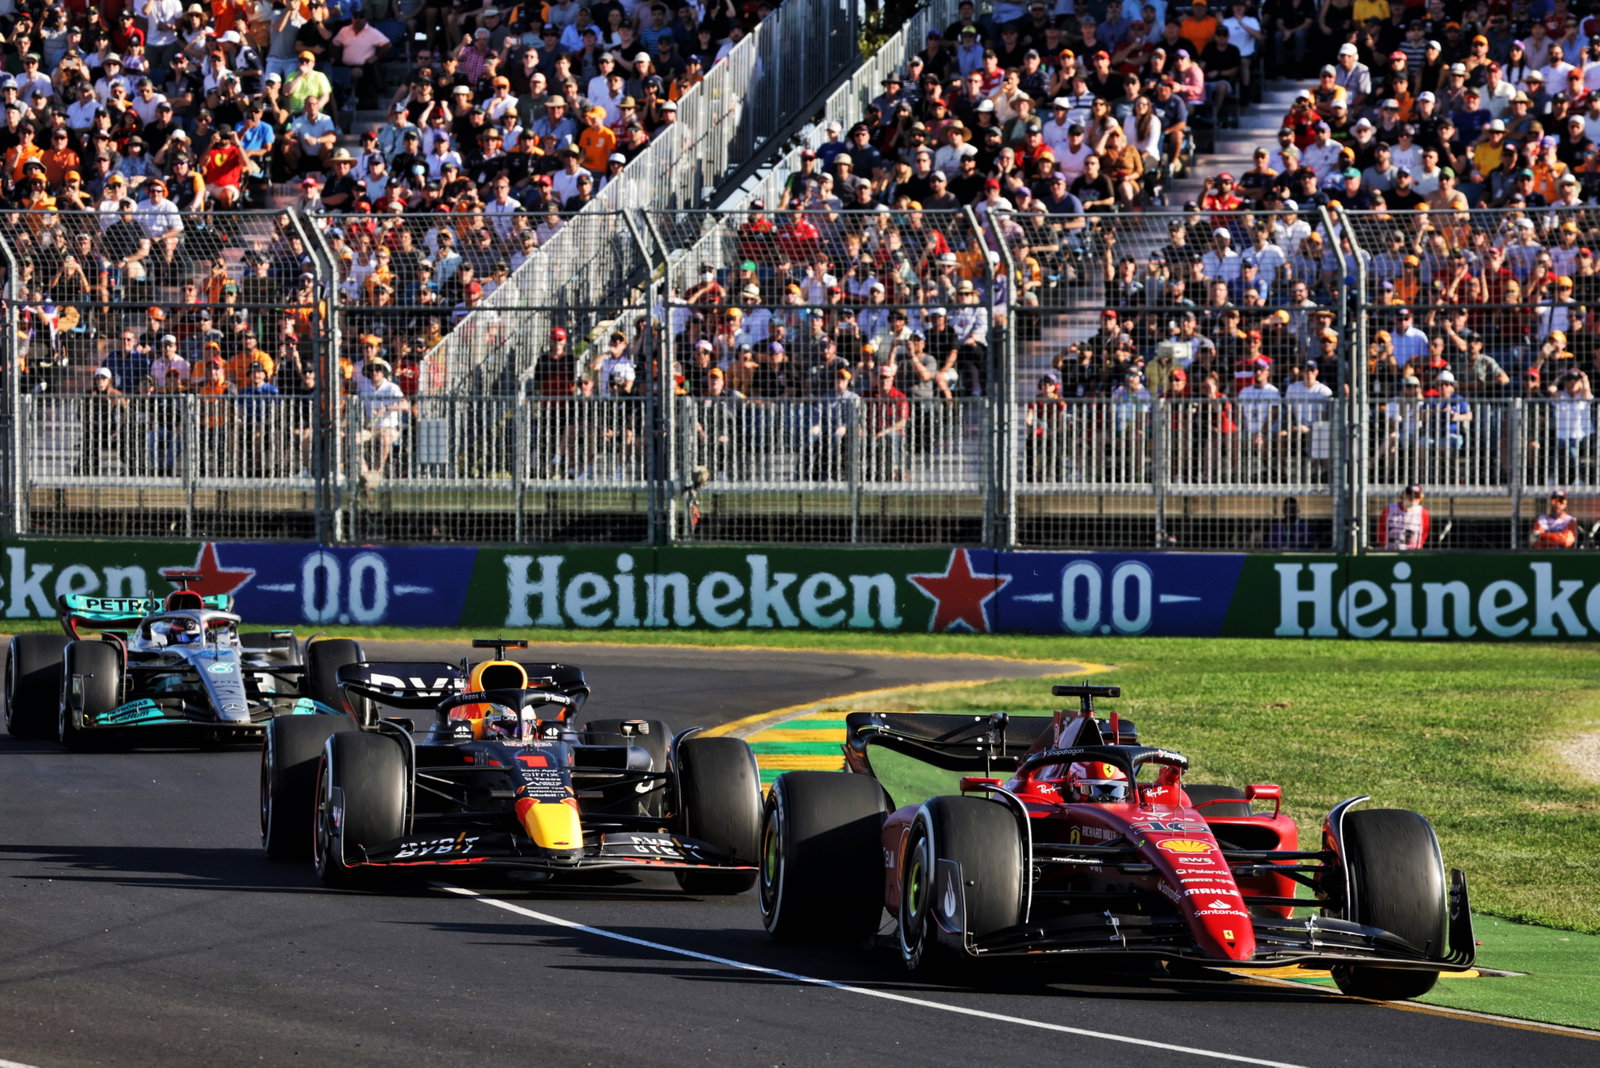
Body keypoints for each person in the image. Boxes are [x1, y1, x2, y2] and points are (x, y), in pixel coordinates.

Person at [77, 367, 128, 475]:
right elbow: (80, 413)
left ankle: (130, 468)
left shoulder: (117, 395)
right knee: (89, 442)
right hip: (95, 428)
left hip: (113, 430)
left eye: (103, 379)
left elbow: (125, 414)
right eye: (97, 379)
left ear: (109, 380)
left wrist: (118, 430)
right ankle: (88, 469)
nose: (100, 382)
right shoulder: (89, 395)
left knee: (126, 442)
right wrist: (88, 424)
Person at [1380, 483, 1430, 550]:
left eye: (1416, 495)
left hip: (1413, 552)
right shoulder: (1389, 509)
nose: (1412, 498)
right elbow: (1381, 530)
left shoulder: (1422, 512)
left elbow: (1424, 533)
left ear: (1420, 498)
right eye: (1409, 495)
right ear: (1404, 494)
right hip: (1391, 551)